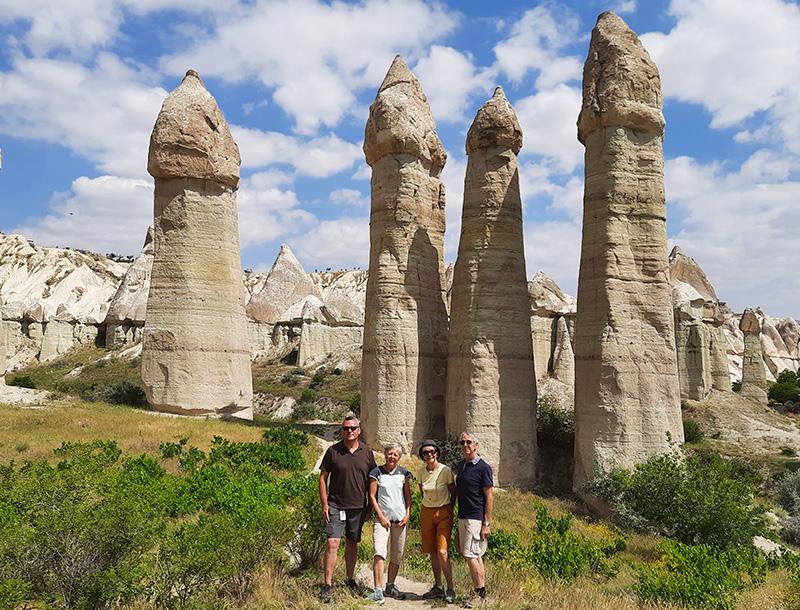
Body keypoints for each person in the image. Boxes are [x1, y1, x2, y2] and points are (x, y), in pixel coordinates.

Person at [318, 415, 377, 604]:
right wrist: (325, 503)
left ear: (359, 430)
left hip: (358, 507)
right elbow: (322, 478)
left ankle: (350, 580)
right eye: (345, 428)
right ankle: (327, 585)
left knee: (352, 543)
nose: (349, 431)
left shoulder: (367, 452)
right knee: (332, 543)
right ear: (342, 430)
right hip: (336, 505)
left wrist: (372, 504)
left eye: (352, 428)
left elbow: (373, 480)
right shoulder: (333, 451)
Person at [365, 444, 412, 604]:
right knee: (379, 552)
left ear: (399, 457)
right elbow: (372, 496)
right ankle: (378, 590)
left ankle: (390, 585)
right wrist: (380, 516)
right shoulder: (376, 473)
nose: (392, 457)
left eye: (395, 454)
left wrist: (407, 515)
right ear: (385, 455)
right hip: (382, 521)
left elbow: (407, 497)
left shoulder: (404, 473)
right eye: (390, 454)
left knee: (397, 554)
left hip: (400, 521)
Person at [454, 432, 493, 608]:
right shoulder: (462, 465)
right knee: (476, 555)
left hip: (475, 518)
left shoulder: (483, 467)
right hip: (463, 515)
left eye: (469, 442)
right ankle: (481, 593)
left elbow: (489, 496)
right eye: (462, 442)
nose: (465, 445)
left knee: (470, 555)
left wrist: (486, 523)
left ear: (476, 445)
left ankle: (479, 594)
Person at [417, 438, 457, 604]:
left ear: (437, 453)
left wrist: (449, 511)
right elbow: (422, 492)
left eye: (432, 451)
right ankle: (438, 587)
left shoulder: (445, 470)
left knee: (442, 551)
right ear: (422, 455)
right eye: (426, 452)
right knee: (433, 551)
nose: (429, 455)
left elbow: (453, 493)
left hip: (443, 512)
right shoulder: (421, 471)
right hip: (427, 512)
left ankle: (450, 588)